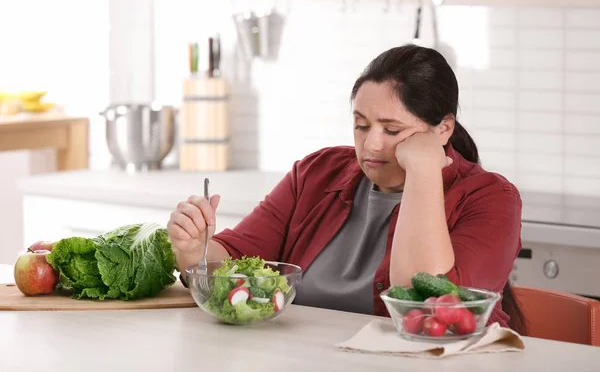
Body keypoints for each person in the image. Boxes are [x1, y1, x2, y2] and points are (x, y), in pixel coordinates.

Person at [168, 44, 526, 333]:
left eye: (391, 130)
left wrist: (425, 170)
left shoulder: (492, 199)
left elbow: (424, 304)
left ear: (443, 129)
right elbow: (233, 261)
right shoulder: (315, 173)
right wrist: (193, 250)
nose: (370, 146)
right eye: (360, 125)